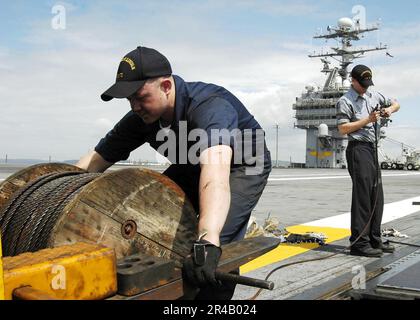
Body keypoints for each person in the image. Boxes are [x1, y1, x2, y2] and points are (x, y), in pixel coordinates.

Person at [76, 46, 272, 299]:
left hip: (242, 164)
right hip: (192, 162)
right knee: (151, 212)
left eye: (139, 96)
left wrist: (208, 238)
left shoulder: (210, 107)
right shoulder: (142, 116)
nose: (134, 106)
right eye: (129, 99)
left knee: (216, 246)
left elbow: (216, 172)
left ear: (166, 86)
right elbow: (94, 161)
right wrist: (55, 192)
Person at [337, 64, 400, 257]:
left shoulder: (374, 96)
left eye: (367, 84)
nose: (365, 87)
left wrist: (389, 109)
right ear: (353, 81)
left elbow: (396, 103)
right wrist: (368, 120)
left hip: (372, 150)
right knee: (362, 197)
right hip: (358, 150)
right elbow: (343, 129)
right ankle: (359, 244)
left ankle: (374, 240)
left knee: (376, 197)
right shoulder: (345, 101)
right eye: (362, 84)